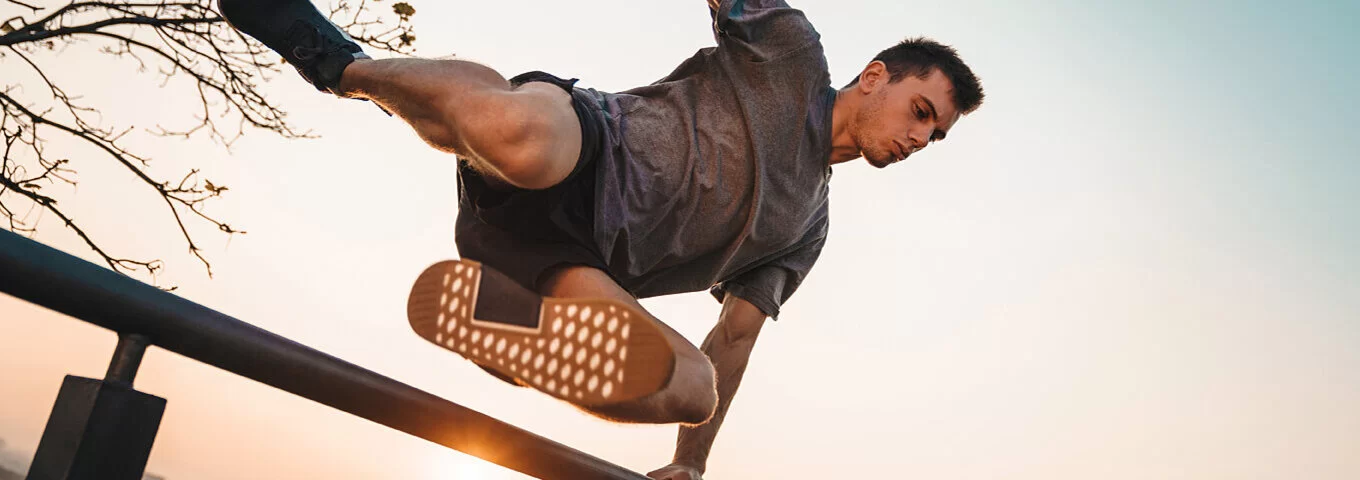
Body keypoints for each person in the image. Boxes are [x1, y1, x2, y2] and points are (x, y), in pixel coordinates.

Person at [217, 0, 983, 477]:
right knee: (520, 135)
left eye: (939, 135)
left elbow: (735, 339)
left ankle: (508, 331)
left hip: (567, 263)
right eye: (922, 112)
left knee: (692, 387)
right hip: (582, 145)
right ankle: (344, 64)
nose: (924, 138)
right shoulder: (790, 52)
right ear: (877, 77)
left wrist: (689, 466)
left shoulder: (807, 228)